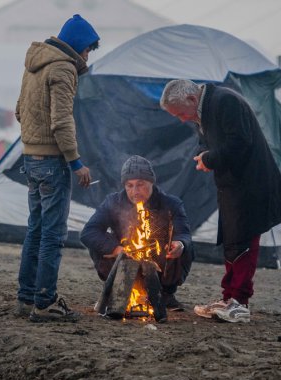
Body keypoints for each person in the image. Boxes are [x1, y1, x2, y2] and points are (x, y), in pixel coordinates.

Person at [160, 79, 281, 323]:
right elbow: (207, 141)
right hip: (232, 186)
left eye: (180, 113)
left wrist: (209, 159)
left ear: (191, 99)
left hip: (252, 185)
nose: (181, 119)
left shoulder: (225, 101)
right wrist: (203, 155)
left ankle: (240, 302)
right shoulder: (204, 109)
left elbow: (240, 142)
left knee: (244, 240)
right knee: (232, 239)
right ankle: (228, 297)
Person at [15, 14, 100, 322]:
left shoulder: (33, 64)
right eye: (88, 49)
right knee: (53, 234)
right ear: (78, 45)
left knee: (35, 230)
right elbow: (62, 121)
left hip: (30, 159)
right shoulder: (63, 67)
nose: (88, 55)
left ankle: (26, 298)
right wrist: (76, 163)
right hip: (52, 162)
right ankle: (45, 302)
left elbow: (18, 111)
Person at [80, 155, 194, 315]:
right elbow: (88, 232)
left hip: (158, 264)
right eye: (130, 185)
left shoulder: (171, 204)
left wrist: (179, 244)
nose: (135, 191)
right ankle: (119, 288)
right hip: (125, 263)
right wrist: (116, 249)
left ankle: (166, 294)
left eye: (140, 185)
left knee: (185, 246)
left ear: (151, 183)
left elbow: (184, 234)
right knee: (99, 242)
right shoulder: (113, 202)